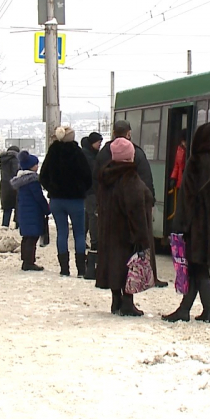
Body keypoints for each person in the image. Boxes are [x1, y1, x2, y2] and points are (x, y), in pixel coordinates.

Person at [162, 123, 210, 323]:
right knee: (197, 268)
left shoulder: (195, 163)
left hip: (197, 228)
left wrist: (179, 227)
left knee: (198, 268)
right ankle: (187, 309)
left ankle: (205, 312)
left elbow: (187, 200)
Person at [95, 120, 167, 287]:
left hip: (109, 218)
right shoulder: (132, 175)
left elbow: (95, 180)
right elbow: (146, 182)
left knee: (112, 256)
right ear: (128, 133)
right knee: (131, 256)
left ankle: (115, 296)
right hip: (129, 222)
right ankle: (131, 296)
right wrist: (150, 200)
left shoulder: (104, 155)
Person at [95, 138, 154, 317]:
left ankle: (116, 301)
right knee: (129, 265)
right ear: (130, 157)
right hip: (127, 232)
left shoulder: (106, 176)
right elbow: (136, 209)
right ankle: (127, 302)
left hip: (109, 229)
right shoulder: (130, 178)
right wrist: (142, 238)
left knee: (113, 262)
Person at [39, 126, 93, 278]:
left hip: (56, 200)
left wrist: (52, 188)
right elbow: (88, 177)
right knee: (79, 234)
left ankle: (64, 269)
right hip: (76, 200)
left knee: (61, 233)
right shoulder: (78, 153)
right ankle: (81, 270)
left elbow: (42, 176)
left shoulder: (52, 153)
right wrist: (81, 189)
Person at [9, 151, 50, 272]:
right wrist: (46, 209)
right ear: (31, 166)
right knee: (32, 238)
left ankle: (25, 260)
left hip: (24, 212)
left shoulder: (21, 180)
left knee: (26, 237)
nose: (38, 166)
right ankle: (29, 262)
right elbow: (39, 197)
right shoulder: (32, 181)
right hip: (33, 212)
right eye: (36, 164)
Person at [81, 131, 103, 280]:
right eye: (98, 143)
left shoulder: (92, 154)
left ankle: (85, 238)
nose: (99, 145)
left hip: (91, 190)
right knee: (92, 215)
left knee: (89, 216)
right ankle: (94, 242)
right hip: (90, 191)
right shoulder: (88, 156)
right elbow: (93, 172)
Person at [0, 145, 20, 229]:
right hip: (14, 185)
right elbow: (15, 172)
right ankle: (17, 225)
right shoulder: (15, 159)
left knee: (7, 207)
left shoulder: (3, 160)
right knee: (17, 206)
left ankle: (5, 224)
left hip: (4, 185)